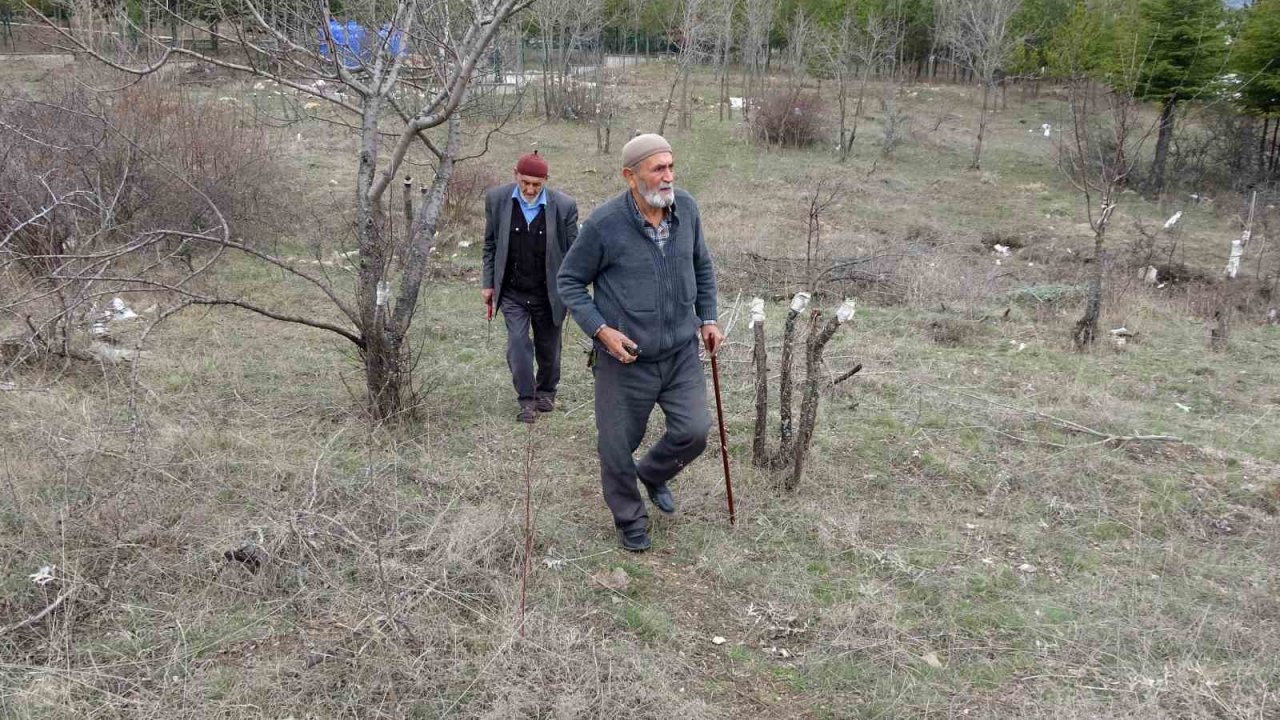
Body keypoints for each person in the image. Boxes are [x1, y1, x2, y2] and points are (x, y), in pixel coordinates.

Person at [557, 134, 723, 552]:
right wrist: (600, 329)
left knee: (695, 431)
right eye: (658, 169)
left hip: (680, 351)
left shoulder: (685, 207)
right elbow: (569, 281)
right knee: (616, 447)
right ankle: (630, 519)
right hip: (625, 358)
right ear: (630, 176)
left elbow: (701, 264)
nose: (668, 176)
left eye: (670, 166)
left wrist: (708, 317)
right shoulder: (604, 224)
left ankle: (652, 473)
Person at [482, 152, 580, 423]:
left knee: (549, 347)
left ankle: (546, 391)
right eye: (525, 182)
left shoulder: (564, 207)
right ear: (516, 175)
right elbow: (490, 244)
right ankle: (526, 400)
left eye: (536, 184)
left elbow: (575, 253)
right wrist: (488, 282)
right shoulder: (496, 200)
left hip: (549, 292)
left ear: (545, 181)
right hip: (513, 291)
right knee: (518, 344)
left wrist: (573, 290)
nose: (530, 189)